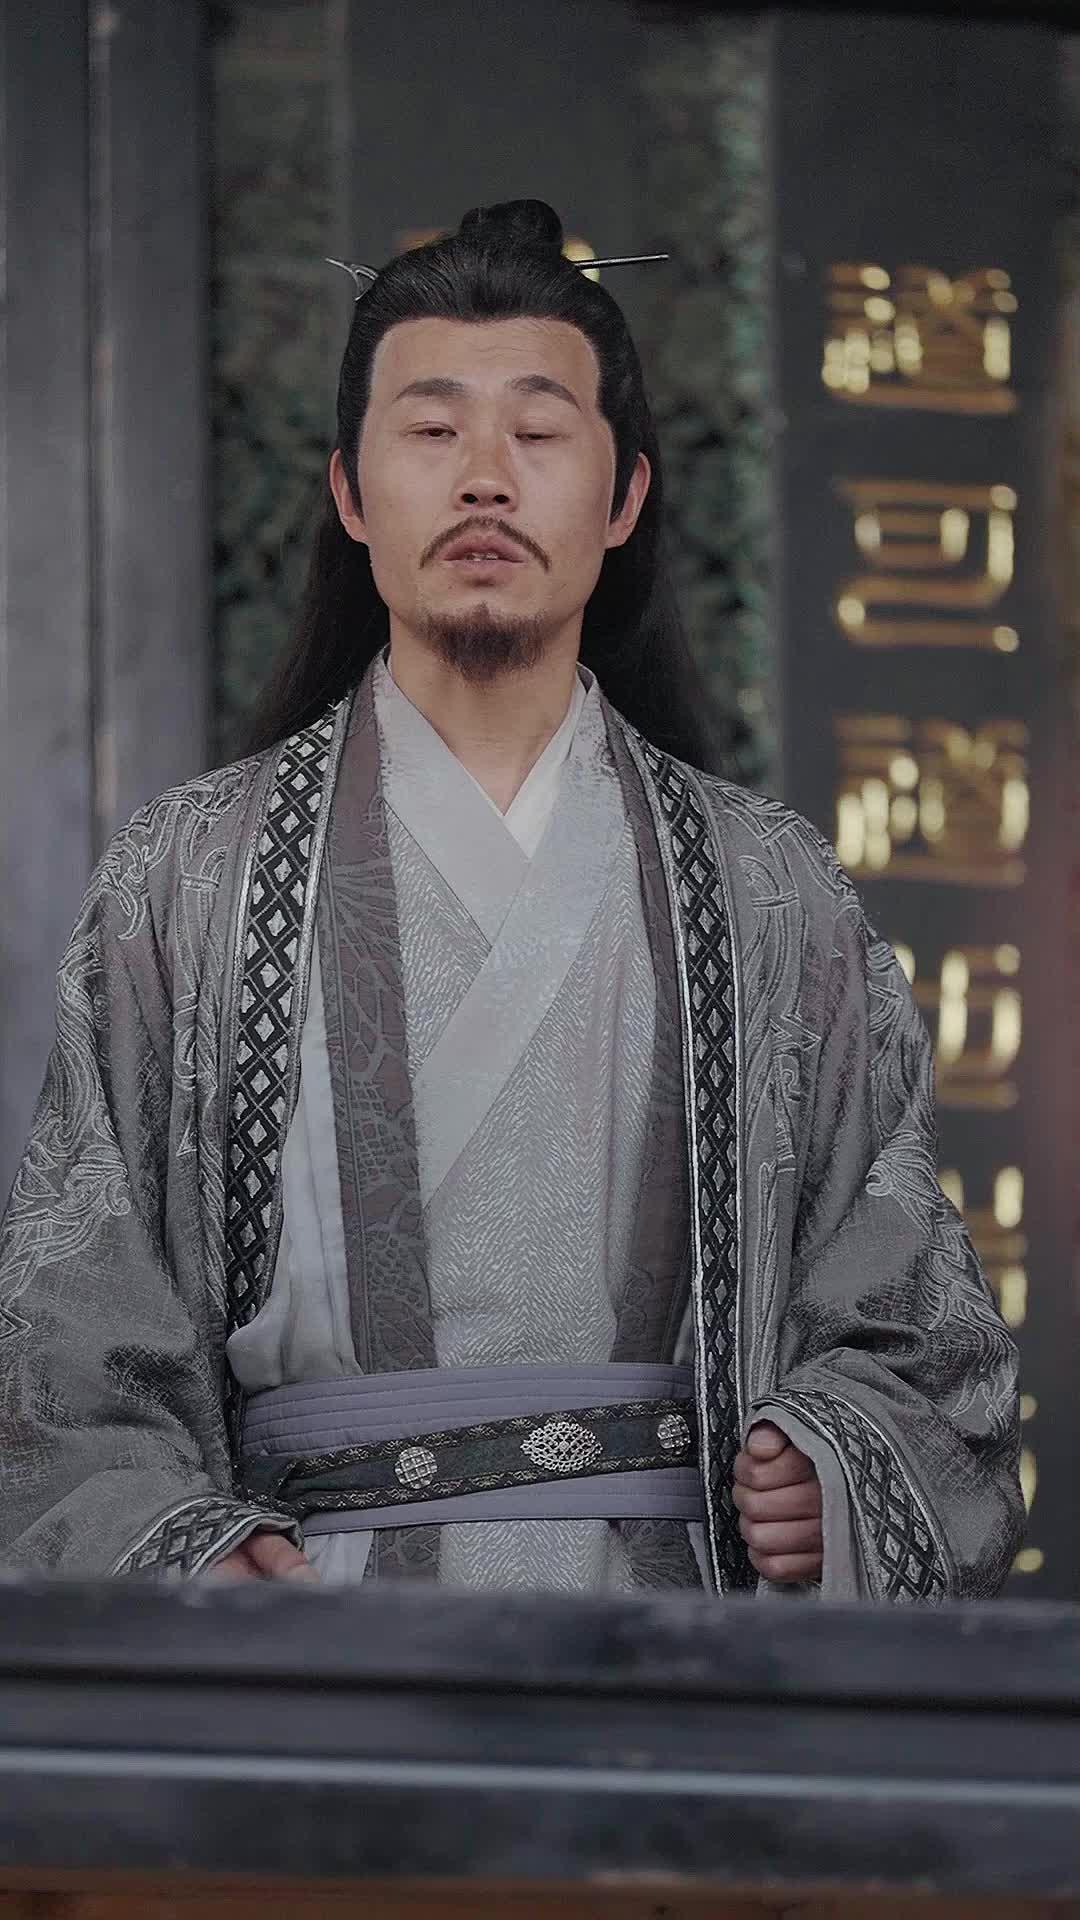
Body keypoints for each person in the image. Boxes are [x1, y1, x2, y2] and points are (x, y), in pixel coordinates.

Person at [0, 199, 1022, 1597]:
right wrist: (179, 1551)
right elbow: (65, 1345)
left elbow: (914, 1319)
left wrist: (838, 1459)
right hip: (315, 1646)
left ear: (624, 499)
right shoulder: (186, 880)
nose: (485, 478)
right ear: (352, 494)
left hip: (676, 1641)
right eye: (432, 430)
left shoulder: (772, 892)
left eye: (538, 434)